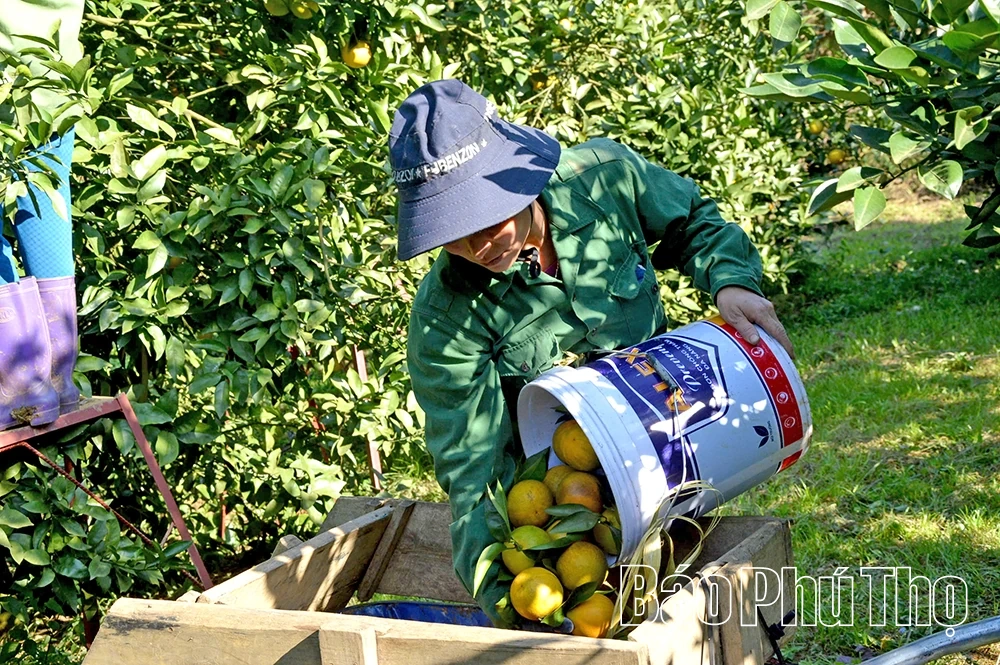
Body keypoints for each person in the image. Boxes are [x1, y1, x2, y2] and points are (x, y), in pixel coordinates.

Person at [388, 79, 793, 627]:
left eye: (486, 221)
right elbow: (473, 466)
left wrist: (731, 282)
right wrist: (512, 608)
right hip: (564, 503)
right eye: (452, 235)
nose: (476, 247)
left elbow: (695, 221)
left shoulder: (604, 179)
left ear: (518, 182)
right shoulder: (448, 317)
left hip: (670, 442)